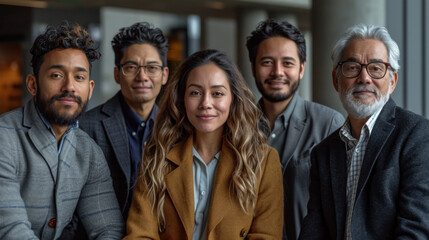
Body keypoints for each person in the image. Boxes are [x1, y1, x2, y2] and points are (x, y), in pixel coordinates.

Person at [123, 49, 283, 239]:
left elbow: (266, 236)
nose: (206, 103)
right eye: (195, 92)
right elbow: (139, 235)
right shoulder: (156, 156)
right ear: (182, 99)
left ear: (233, 99)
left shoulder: (263, 161)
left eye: (217, 93)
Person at [300, 24, 429, 240]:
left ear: (392, 81)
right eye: (352, 67)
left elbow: (416, 229)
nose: (364, 78)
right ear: (336, 80)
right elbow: (313, 231)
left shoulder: (416, 135)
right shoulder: (323, 153)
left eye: (376, 68)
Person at [0, 22, 124, 239]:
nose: (69, 86)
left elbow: (108, 228)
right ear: (32, 84)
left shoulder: (89, 152)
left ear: (90, 89)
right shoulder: (4, 137)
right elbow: (12, 230)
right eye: (57, 75)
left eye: (79, 77)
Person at [246, 19, 344, 240]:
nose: (277, 72)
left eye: (288, 63)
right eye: (267, 62)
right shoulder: (237, 126)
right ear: (253, 67)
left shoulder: (329, 125)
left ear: (301, 69)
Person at [79, 22, 169, 220]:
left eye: (152, 68)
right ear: (117, 74)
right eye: (131, 67)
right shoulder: (86, 127)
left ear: (164, 75)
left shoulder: (175, 128)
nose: (142, 76)